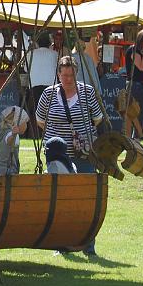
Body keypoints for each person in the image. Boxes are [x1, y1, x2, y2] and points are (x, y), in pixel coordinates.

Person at [37, 56, 106, 256]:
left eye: (71, 75)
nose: (67, 79)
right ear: (58, 74)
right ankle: (62, 245)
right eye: (64, 75)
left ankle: (89, 247)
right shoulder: (48, 94)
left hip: (83, 154)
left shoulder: (87, 92)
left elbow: (97, 119)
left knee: (86, 199)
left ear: (76, 74)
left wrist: (80, 138)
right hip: (57, 154)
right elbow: (40, 120)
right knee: (59, 201)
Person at [27, 33, 59, 132]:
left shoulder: (31, 54)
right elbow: (58, 69)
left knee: (35, 111)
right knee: (50, 111)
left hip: (35, 84)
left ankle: (37, 131)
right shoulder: (54, 54)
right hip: (51, 85)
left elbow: (25, 68)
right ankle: (49, 130)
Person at [125, 30, 143, 138]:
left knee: (139, 112)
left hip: (138, 84)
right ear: (142, 41)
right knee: (139, 113)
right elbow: (141, 67)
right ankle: (135, 138)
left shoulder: (139, 51)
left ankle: (134, 137)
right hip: (135, 85)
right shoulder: (134, 50)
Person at [0, 104, 29, 175]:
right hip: (5, 173)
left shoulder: (2, 132)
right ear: (18, 122)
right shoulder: (12, 134)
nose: (26, 125)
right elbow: (9, 141)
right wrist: (13, 135)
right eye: (25, 122)